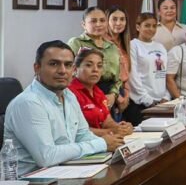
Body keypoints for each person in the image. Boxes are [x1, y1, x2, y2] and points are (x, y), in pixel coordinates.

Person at [3, 41, 122, 176]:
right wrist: (101, 144)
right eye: (54, 64)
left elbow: (82, 135)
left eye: (68, 65)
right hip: (28, 182)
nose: (62, 71)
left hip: (63, 172)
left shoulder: (69, 96)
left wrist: (111, 143)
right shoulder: (28, 102)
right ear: (37, 68)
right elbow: (47, 156)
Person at [68, 49, 134, 137]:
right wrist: (111, 132)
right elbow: (75, 131)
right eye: (89, 65)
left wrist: (121, 128)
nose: (95, 70)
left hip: (103, 141)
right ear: (75, 69)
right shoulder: (69, 93)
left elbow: (107, 121)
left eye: (99, 66)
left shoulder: (98, 92)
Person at [68, 7, 122, 110]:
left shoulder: (112, 47)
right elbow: (69, 70)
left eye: (102, 20)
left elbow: (117, 77)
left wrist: (113, 94)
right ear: (83, 24)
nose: (98, 24)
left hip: (108, 94)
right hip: (83, 93)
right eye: (93, 21)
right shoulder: (76, 43)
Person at [125, 13, 170, 125]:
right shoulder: (133, 45)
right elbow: (132, 75)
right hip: (141, 104)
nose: (151, 29)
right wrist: (147, 99)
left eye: (154, 26)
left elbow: (166, 73)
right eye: (147, 25)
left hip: (162, 103)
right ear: (138, 27)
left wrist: (166, 96)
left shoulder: (160, 47)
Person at [105, 6, 132, 118]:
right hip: (109, 93)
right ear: (107, 21)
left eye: (122, 19)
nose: (119, 23)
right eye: (114, 19)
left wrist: (126, 95)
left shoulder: (124, 43)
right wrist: (118, 98)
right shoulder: (103, 42)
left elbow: (126, 74)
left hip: (123, 93)